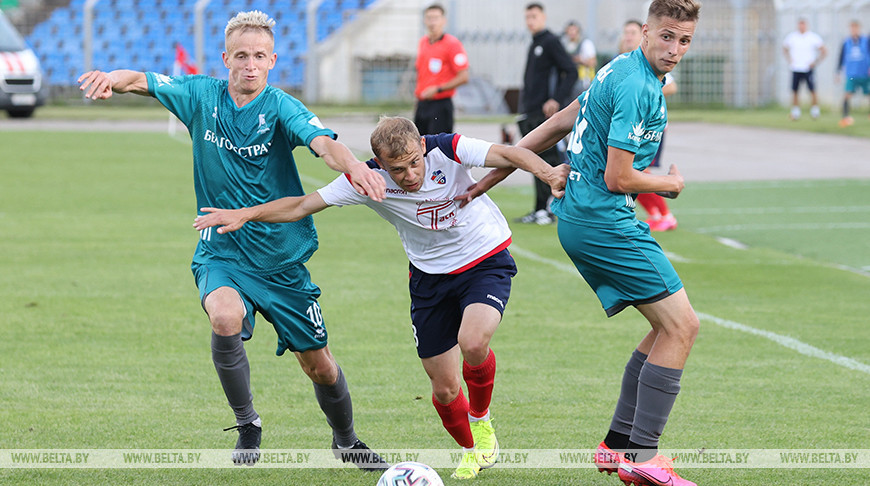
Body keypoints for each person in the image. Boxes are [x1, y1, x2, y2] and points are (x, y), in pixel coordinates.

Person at [76, 10, 389, 469]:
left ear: (272, 61)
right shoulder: (202, 96)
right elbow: (141, 80)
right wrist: (110, 77)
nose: (250, 64)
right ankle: (247, 425)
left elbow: (323, 143)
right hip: (221, 251)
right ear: (226, 58)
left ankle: (346, 441)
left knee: (318, 364)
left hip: (281, 261)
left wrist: (355, 166)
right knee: (224, 315)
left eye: (259, 56)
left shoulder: (282, 106)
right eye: (241, 55)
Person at [193, 116, 568, 480]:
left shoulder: (449, 149)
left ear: (423, 147)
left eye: (413, 163)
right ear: (380, 164)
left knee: (473, 341)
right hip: (428, 279)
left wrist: (549, 173)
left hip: (484, 260)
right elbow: (302, 205)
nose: (409, 176)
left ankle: (481, 420)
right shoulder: (366, 180)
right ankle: (473, 451)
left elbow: (510, 154)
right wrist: (246, 213)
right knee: (444, 388)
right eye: (397, 170)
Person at [462, 1, 702, 484]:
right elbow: (618, 177)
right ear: (646, 32)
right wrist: (667, 185)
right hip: (603, 221)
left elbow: (555, 125)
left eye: (685, 41)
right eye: (668, 36)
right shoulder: (638, 85)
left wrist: (485, 181)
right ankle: (644, 458)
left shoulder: (621, 67)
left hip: (580, 217)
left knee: (663, 330)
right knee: (683, 328)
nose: (675, 49)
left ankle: (617, 447)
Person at [515, 2, 577, 226]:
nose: (530, 21)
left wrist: (556, 100)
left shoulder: (550, 41)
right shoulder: (535, 43)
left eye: (534, 16)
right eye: (527, 17)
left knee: (547, 161)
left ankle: (551, 208)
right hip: (529, 110)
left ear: (543, 17)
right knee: (532, 161)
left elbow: (571, 70)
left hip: (544, 113)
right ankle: (540, 208)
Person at [622, 19, 679, 231]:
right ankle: (654, 214)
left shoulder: (650, 61)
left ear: (643, 35)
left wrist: (644, 96)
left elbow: (672, 87)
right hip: (629, 127)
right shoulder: (624, 62)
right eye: (625, 32)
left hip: (649, 129)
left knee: (639, 172)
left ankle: (666, 215)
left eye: (632, 32)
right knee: (631, 171)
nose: (628, 36)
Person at [414, 3, 469, 136]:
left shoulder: (452, 44)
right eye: (429, 18)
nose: (432, 22)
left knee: (438, 149)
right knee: (418, 146)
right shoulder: (423, 42)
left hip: (440, 104)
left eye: (436, 18)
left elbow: (464, 76)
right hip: (422, 104)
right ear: (424, 20)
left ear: (444, 21)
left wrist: (438, 89)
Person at [783, 18, 826, 121]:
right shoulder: (792, 37)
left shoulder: (812, 37)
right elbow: (784, 48)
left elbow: (824, 50)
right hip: (796, 68)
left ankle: (815, 111)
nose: (801, 27)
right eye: (800, 25)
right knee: (795, 91)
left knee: (812, 90)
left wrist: (815, 62)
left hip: (808, 68)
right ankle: (796, 112)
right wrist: (790, 60)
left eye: (803, 25)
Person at [836, 20, 870, 127]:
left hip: (865, 73)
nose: (854, 30)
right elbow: (840, 57)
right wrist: (837, 72)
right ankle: (845, 118)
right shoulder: (846, 42)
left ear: (859, 29)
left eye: (856, 28)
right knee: (847, 94)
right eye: (852, 28)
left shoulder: (866, 40)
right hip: (851, 75)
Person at [562, 20, 597, 97]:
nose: (572, 33)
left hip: (583, 82)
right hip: (569, 83)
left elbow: (593, 62)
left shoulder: (586, 44)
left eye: (574, 30)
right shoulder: (565, 44)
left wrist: (580, 60)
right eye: (570, 30)